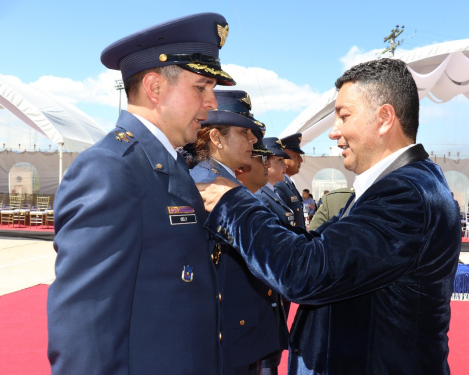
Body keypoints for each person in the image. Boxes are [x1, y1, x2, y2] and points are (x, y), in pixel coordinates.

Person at [198, 58, 461, 374]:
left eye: (344, 116)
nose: (334, 132)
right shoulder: (398, 185)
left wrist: (231, 203)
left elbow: (307, 271)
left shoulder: (407, 194)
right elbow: (318, 246)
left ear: (385, 118)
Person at [47, 13, 235, 375]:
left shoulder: (167, 163)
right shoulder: (110, 169)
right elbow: (85, 329)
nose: (212, 103)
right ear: (154, 88)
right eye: (201, 87)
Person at [190, 90, 285, 375]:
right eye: (245, 133)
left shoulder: (226, 183)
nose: (254, 140)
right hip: (227, 337)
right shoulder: (208, 185)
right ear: (217, 138)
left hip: (240, 333)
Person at [236, 138, 290, 375]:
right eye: (261, 160)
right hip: (249, 311)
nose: (267, 167)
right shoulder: (256, 200)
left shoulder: (268, 195)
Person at [275, 133, 306, 228]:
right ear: (283, 157)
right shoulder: (278, 184)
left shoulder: (288, 183)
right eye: (296, 156)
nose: (301, 160)